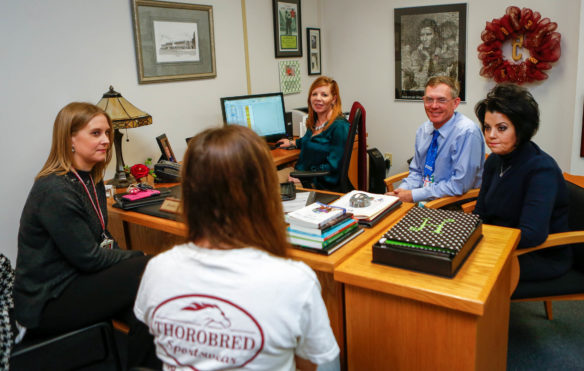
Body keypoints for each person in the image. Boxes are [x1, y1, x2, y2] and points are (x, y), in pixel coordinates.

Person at [134, 125, 339, 370]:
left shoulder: (157, 270)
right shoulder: (294, 281)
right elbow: (319, 364)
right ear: (265, 192)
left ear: (188, 192)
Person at [13, 102, 159, 368]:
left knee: (150, 312)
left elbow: (104, 238)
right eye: (96, 133)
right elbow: (89, 258)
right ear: (70, 138)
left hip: (78, 281)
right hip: (47, 303)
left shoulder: (92, 179)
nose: (105, 140)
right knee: (146, 267)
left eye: (106, 132)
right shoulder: (54, 190)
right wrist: (140, 257)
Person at [473, 83, 572, 281]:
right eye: (487, 127)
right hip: (502, 244)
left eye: (502, 128)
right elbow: (480, 213)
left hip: (540, 254)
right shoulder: (494, 161)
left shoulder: (542, 169)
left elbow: (531, 235)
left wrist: (483, 242)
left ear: (521, 128)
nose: (491, 135)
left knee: (469, 271)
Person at [389, 76, 485, 203]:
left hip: (453, 205)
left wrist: (413, 195)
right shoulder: (424, 129)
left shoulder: (467, 132)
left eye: (441, 100)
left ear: (455, 103)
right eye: (429, 100)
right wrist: (400, 192)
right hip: (425, 198)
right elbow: (417, 172)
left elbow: (459, 185)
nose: (434, 106)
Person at [277, 76, 349, 190]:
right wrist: (292, 143)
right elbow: (310, 141)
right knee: (263, 180)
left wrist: (304, 177)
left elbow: (333, 166)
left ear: (334, 99)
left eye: (324, 95)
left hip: (317, 181)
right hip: (300, 172)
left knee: (270, 192)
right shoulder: (315, 120)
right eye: (314, 94)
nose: (318, 98)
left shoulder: (339, 126)